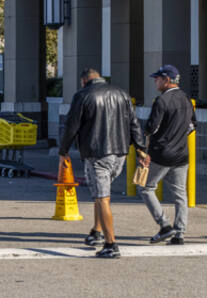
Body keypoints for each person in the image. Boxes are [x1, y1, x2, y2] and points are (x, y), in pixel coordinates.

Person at [57, 67, 145, 259]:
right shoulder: (122, 94)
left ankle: (111, 243)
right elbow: (134, 123)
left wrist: (63, 151)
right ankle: (96, 230)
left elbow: (72, 126)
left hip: (97, 152)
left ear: (84, 81)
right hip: (120, 152)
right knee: (100, 194)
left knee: (102, 197)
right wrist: (141, 148)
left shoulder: (83, 95)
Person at [139, 64, 194, 244]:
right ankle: (180, 233)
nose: (155, 81)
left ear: (167, 80)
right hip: (181, 154)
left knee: (145, 187)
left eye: (158, 78)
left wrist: (145, 150)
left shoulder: (161, 101)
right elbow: (192, 126)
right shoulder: (186, 99)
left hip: (162, 153)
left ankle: (164, 225)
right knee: (180, 194)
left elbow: (151, 129)